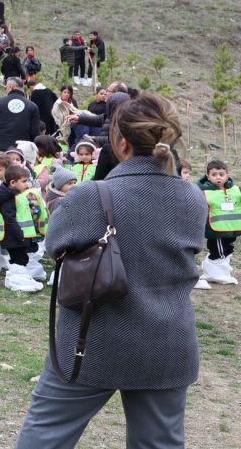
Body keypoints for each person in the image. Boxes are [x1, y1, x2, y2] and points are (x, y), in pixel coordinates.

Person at [16, 93, 201, 448]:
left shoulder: (90, 195)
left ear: (119, 142)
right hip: (167, 344)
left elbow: (55, 246)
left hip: (91, 340)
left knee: (45, 437)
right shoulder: (191, 196)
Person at [0, 165, 46, 292]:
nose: (28, 184)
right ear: (13, 183)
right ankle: (17, 281)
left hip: (18, 235)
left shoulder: (16, 194)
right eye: (24, 181)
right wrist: (19, 234)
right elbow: (9, 219)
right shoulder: (10, 198)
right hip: (14, 236)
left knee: (20, 257)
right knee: (19, 258)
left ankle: (17, 278)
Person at [197, 160, 240, 285]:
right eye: (214, 174)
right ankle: (216, 273)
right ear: (208, 176)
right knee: (218, 251)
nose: (218, 177)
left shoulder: (235, 190)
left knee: (228, 248)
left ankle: (218, 273)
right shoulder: (204, 191)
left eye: (221, 174)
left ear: (227, 175)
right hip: (215, 230)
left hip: (232, 228)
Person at [0, 77, 42, 150]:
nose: (6, 90)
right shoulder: (32, 106)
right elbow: (34, 133)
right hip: (20, 150)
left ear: (10, 87)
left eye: (6, 87)